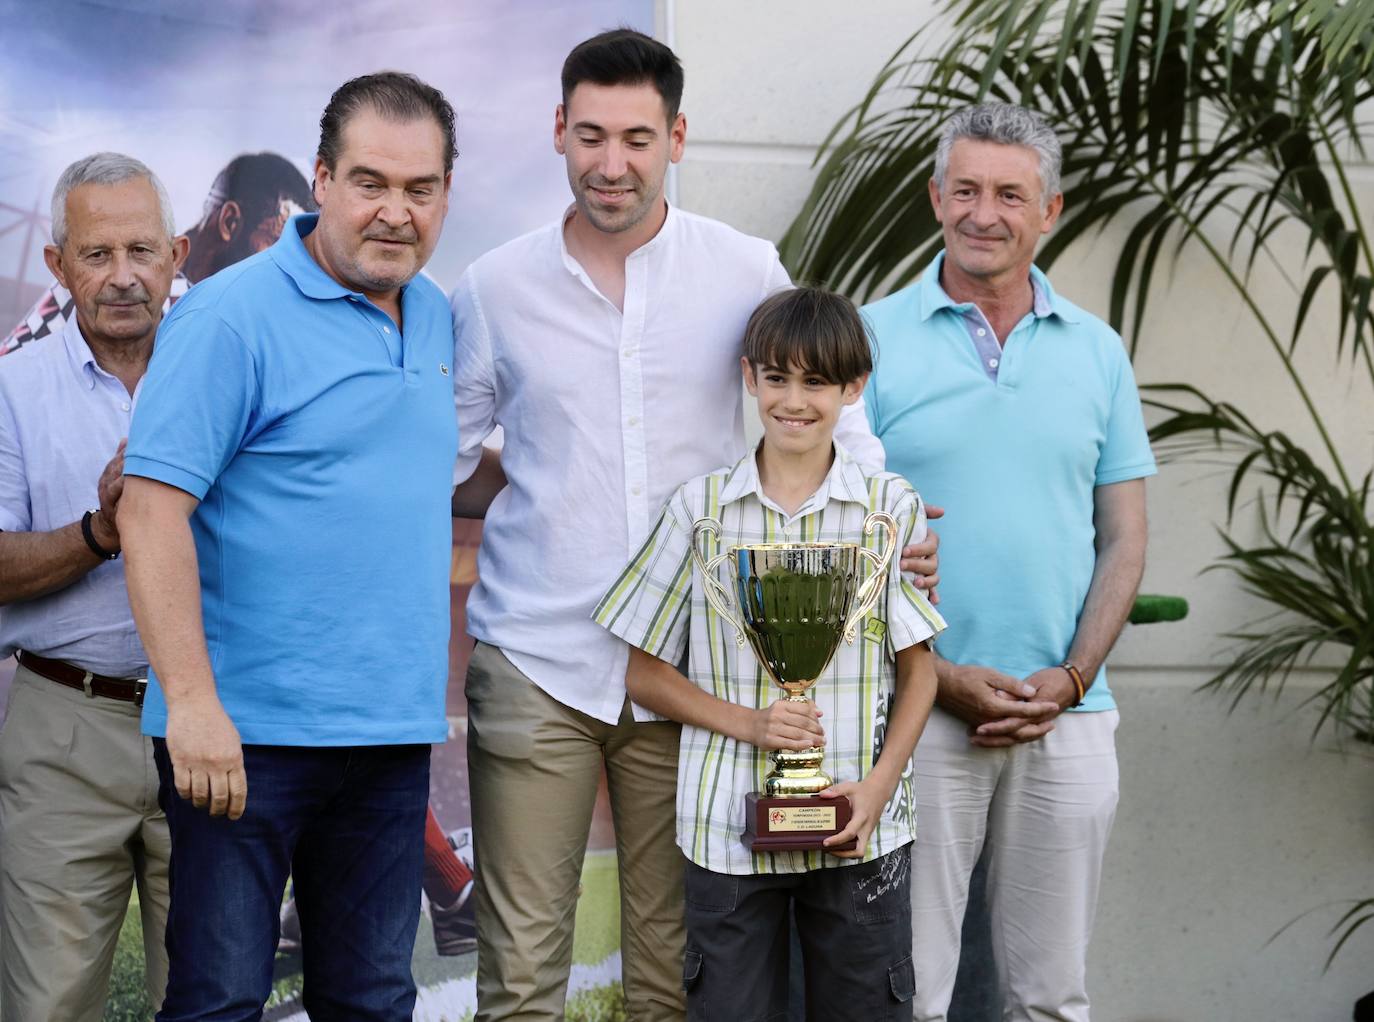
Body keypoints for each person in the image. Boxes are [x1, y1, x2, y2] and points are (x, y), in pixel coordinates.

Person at [449, 29, 944, 1020]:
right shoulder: (494, 287)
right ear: (558, 131)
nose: (611, 161)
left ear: (678, 136)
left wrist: (896, 535)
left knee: (674, 965)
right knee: (520, 964)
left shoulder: (742, 265)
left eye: (638, 136)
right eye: (590, 133)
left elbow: (839, 418)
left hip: (699, 669)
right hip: (538, 651)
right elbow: (448, 459)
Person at [117, 72, 458, 1019]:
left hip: (388, 739)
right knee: (221, 1002)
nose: (395, 211)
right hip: (245, 742)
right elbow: (150, 513)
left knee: (374, 1001)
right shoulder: (228, 318)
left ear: (444, 194)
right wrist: (190, 705)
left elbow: (400, 475)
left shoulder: (433, 315)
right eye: (369, 182)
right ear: (321, 180)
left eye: (419, 189)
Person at [862, 102, 1154, 1021]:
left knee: (1050, 998)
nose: (984, 213)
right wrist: (940, 678)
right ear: (935, 197)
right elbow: (830, 540)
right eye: (966, 190)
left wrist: (1071, 679)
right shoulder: (867, 339)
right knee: (909, 992)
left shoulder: (1099, 353)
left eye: (1009, 195)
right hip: (913, 714)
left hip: (1065, 717)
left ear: (1050, 211)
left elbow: (1126, 536)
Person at [594, 286, 947, 1021]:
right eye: (778, 378)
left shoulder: (890, 509)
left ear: (853, 389)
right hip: (726, 824)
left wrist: (879, 786)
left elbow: (919, 670)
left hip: (862, 824)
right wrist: (752, 725)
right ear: (750, 379)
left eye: (817, 381)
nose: (795, 400)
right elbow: (644, 672)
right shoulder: (701, 510)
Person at [0, 152, 188, 1021]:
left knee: (210, 1001)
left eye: (142, 252)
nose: (123, 278)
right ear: (58, 265)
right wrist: (99, 534)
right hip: (66, 730)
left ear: (177, 255)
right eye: (97, 254)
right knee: (46, 1007)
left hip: (208, 725)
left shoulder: (224, 371)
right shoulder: (11, 387)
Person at [2, 150, 313, 357]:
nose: (285, 272)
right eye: (275, 247)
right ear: (230, 222)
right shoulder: (93, 288)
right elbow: (11, 381)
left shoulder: (232, 322)